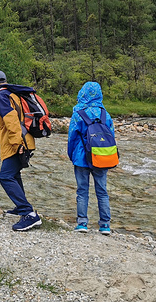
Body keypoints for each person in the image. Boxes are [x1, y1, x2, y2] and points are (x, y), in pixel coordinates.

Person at [0, 70, 42, 231]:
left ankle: (29, 214)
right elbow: (1, 125)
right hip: (23, 140)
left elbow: (11, 120)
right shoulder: (12, 94)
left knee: (5, 177)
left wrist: (17, 144)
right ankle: (21, 208)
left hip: (17, 143)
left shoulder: (1, 96)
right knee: (14, 175)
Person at [67, 81, 114, 235]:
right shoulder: (105, 114)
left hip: (81, 157)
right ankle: (105, 225)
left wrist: (71, 155)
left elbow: (72, 138)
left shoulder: (78, 114)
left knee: (82, 191)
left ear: (83, 93)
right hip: (101, 156)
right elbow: (111, 136)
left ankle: (82, 223)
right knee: (102, 191)